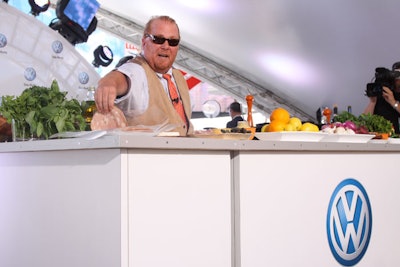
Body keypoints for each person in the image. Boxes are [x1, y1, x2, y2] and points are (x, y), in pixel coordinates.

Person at [94, 15, 193, 136]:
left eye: (173, 42)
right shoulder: (138, 70)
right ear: (144, 42)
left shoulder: (178, 76)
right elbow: (124, 76)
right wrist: (109, 82)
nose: (166, 46)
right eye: (158, 39)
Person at [363, 62, 400, 133]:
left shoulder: (393, 96)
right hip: (379, 137)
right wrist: (372, 101)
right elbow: (364, 120)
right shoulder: (385, 91)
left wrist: (393, 102)